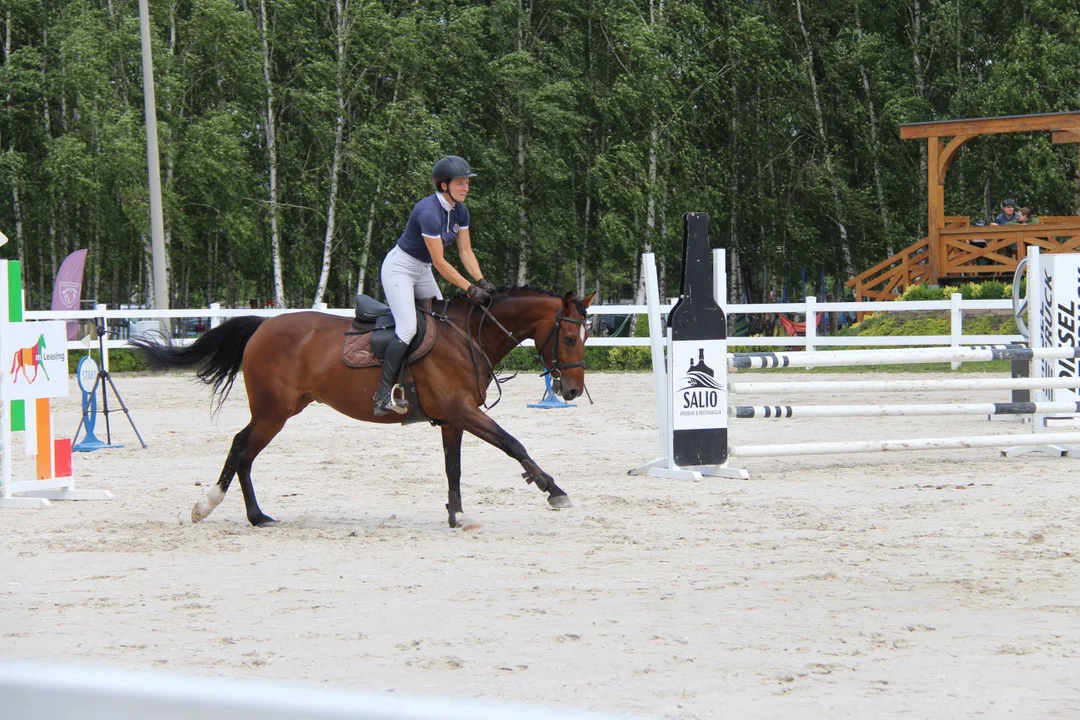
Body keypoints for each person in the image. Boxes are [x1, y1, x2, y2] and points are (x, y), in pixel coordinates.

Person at [374, 155, 496, 416]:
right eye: (460, 183)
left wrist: (481, 280)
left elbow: (465, 252)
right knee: (408, 328)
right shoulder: (429, 212)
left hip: (422, 269)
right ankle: (383, 393)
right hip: (400, 268)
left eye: (467, 183)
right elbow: (441, 262)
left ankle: (433, 383)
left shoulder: (461, 210)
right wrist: (468, 288)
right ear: (444, 185)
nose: (466, 188)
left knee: (441, 323)